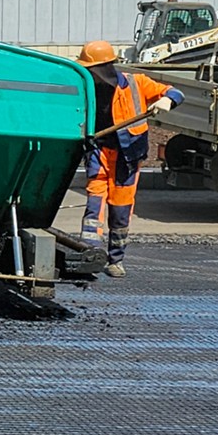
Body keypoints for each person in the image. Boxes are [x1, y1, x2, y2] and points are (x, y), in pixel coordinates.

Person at [77, 39, 183, 278]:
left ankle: (116, 259)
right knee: (94, 204)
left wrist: (166, 100)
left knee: (121, 209)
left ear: (102, 67)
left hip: (127, 156)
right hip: (99, 151)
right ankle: (89, 253)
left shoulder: (137, 84)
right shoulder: (86, 88)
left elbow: (176, 92)